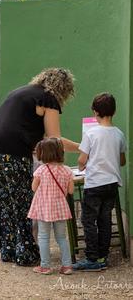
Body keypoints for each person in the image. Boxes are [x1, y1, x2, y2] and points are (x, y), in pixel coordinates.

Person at [0, 68, 79, 266]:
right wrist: (82, 148)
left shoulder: (23, 92)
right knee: (23, 202)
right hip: (14, 151)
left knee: (4, 202)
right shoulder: (48, 99)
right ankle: (26, 253)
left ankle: (8, 250)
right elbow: (54, 139)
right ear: (64, 89)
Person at [72, 93, 126, 271]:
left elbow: (82, 159)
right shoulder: (119, 134)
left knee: (88, 221)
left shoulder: (91, 133)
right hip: (111, 184)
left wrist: (82, 167)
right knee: (105, 221)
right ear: (114, 111)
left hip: (94, 184)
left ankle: (91, 258)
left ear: (95, 112)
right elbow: (122, 160)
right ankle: (103, 257)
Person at [28, 138, 74, 275]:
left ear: (43, 154)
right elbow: (71, 191)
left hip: (44, 209)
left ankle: (45, 266)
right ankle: (67, 266)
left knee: (43, 237)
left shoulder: (41, 170)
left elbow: (33, 187)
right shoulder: (67, 170)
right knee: (61, 238)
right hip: (60, 209)